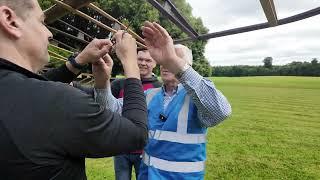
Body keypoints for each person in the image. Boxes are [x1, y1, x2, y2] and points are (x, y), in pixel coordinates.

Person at [0, 0, 148, 179]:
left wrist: (80, 61)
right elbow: (137, 134)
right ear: (10, 19)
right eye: (41, 22)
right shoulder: (58, 102)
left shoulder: (17, 92)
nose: (49, 33)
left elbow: (29, 88)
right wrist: (130, 64)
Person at [99, 22, 232, 179]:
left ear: (187, 65)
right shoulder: (149, 95)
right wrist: (102, 81)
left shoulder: (196, 98)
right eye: (164, 60)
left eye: (173, 59)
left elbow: (221, 112)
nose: (166, 64)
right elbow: (111, 110)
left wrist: (172, 60)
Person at [112, 50, 162, 180]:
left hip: (146, 150)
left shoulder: (159, 88)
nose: (143, 63)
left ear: (155, 63)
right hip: (121, 148)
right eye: (140, 59)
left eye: (148, 60)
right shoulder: (119, 84)